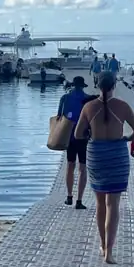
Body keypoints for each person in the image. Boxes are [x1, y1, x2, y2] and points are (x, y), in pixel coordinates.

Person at [75, 73, 134, 264]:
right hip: (117, 155)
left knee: (100, 203)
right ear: (114, 85)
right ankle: (109, 252)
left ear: (97, 85)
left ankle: (103, 244)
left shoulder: (89, 107)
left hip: (96, 154)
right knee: (113, 204)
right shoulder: (122, 106)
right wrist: (126, 139)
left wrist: (90, 135)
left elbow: (78, 134)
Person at [58, 76, 97, 209]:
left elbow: (59, 116)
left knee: (70, 165)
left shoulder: (65, 98)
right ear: (83, 86)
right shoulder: (88, 99)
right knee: (82, 167)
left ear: (73, 85)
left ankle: (69, 196)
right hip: (83, 136)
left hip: (69, 136)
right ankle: (79, 200)